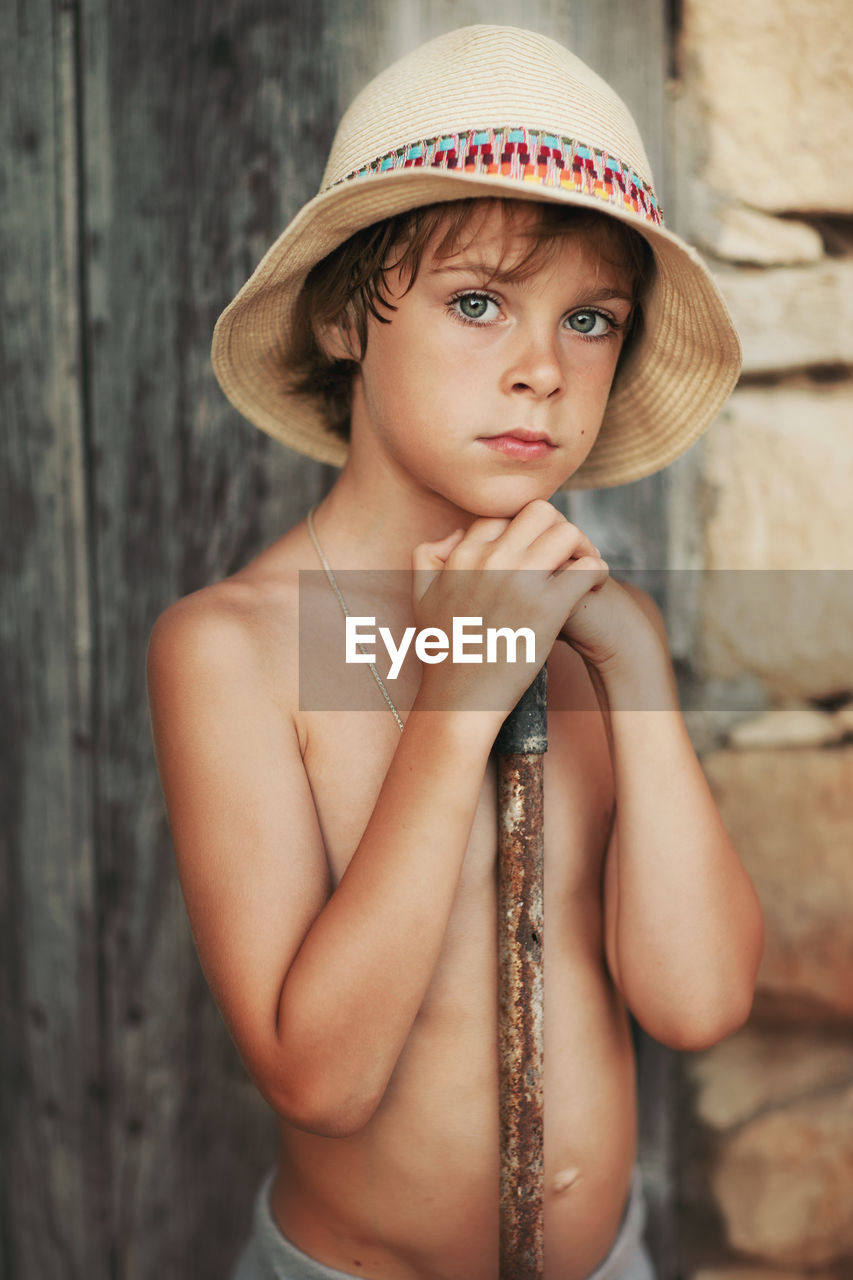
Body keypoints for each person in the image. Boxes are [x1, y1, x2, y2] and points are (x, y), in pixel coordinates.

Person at [146, 25, 764, 1280]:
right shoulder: (236, 649)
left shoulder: (597, 638)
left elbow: (696, 1002)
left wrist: (635, 667)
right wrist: (455, 708)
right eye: (476, 301)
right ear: (341, 317)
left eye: (589, 319)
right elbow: (322, 1077)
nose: (539, 369)